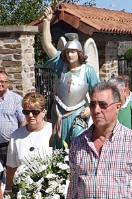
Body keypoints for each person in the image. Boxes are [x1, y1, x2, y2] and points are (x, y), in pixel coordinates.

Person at [40, 7, 99, 148]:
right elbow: (48, 46)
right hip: (59, 114)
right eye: (67, 52)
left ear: (79, 53)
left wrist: (91, 109)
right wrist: (47, 22)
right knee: (59, 149)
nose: (70, 55)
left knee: (78, 147)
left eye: (73, 51)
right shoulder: (61, 67)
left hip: (78, 115)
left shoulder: (88, 71)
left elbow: (98, 93)